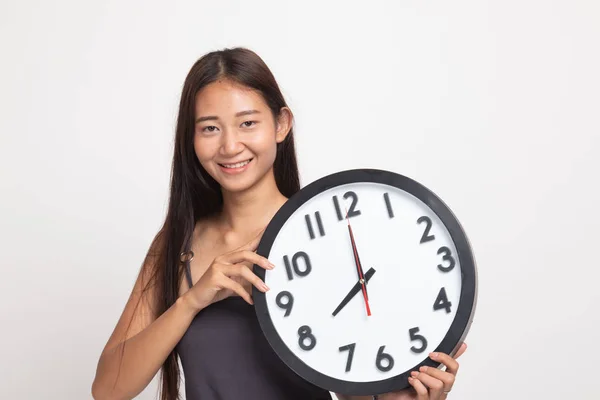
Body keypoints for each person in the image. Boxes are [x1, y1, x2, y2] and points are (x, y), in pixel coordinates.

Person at [91, 47, 467, 400]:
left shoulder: (329, 236)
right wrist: (192, 301)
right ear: (190, 138)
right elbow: (108, 389)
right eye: (209, 128)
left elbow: (352, 380)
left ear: (281, 124)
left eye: (248, 123)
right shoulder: (176, 244)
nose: (230, 146)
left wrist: (394, 395)